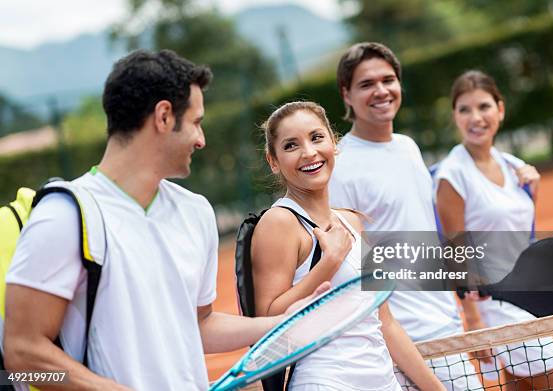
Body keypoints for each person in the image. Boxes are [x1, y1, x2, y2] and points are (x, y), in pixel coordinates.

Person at [3, 50, 327, 391]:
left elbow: (198, 326)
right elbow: (22, 361)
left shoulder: (196, 212)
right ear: (163, 116)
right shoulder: (62, 216)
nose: (202, 140)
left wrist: (280, 325)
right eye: (196, 122)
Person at [252, 101, 445, 391]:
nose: (309, 152)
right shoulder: (279, 222)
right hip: (326, 382)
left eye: (317, 137)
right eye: (291, 145)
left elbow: (385, 323)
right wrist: (328, 264)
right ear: (273, 161)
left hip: (383, 382)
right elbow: (269, 319)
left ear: (334, 143)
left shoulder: (352, 222)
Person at [328, 42, 483, 390]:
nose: (381, 91)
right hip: (401, 343)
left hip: (444, 324)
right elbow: (354, 270)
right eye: (367, 84)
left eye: (388, 80)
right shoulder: (340, 166)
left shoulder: (407, 147)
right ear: (346, 95)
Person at [434, 69, 553, 390]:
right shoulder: (451, 176)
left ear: (500, 110)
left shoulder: (514, 165)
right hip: (496, 306)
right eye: (465, 109)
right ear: (455, 117)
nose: (476, 117)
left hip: (528, 298)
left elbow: (517, 233)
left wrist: (533, 191)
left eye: (484, 106)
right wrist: (473, 322)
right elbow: (456, 249)